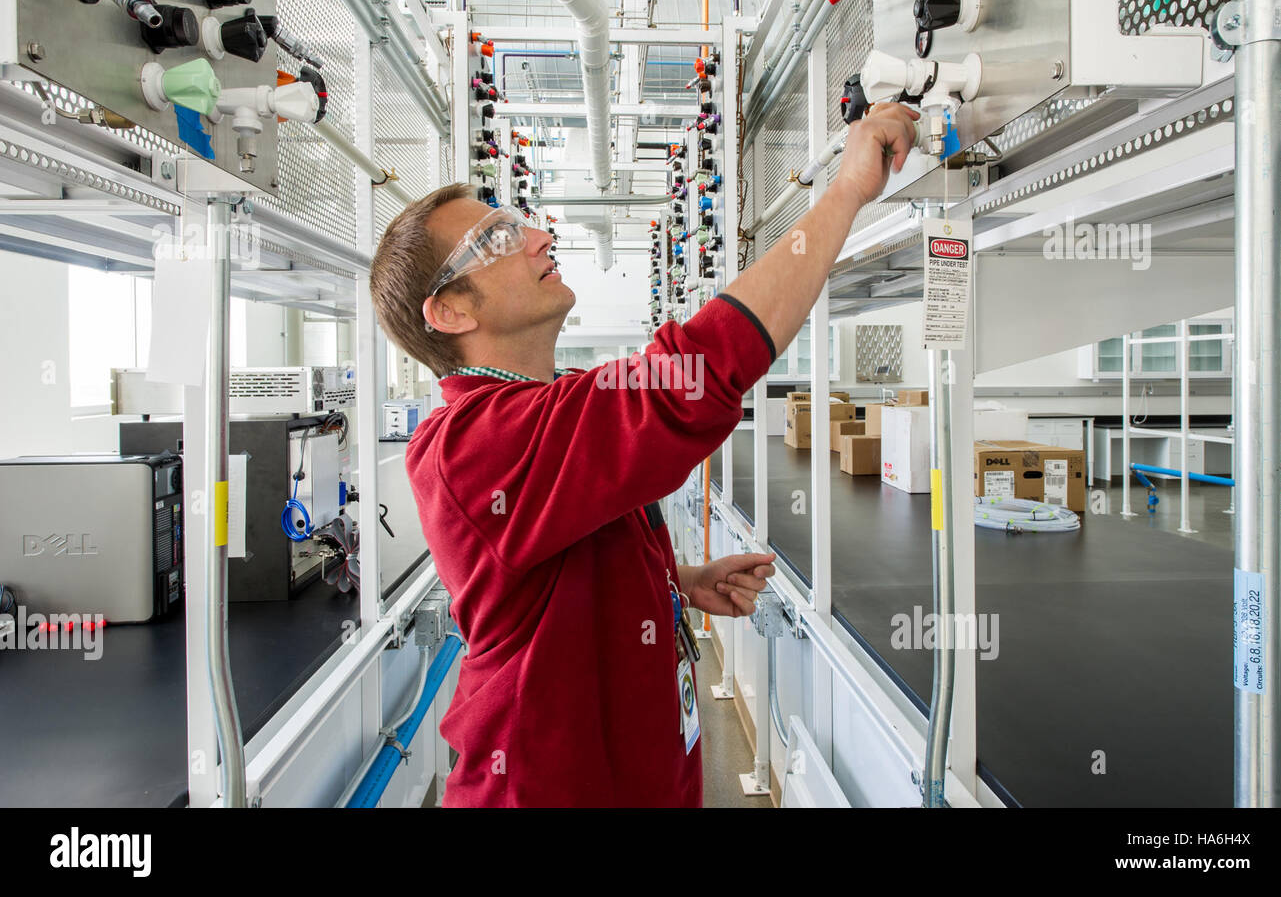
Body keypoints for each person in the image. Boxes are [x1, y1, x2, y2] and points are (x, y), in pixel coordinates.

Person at [368, 103, 920, 807]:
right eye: (498, 238)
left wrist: (673, 579)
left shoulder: (545, 404)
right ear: (449, 312)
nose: (538, 236)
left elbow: (566, 553)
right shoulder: (471, 444)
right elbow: (689, 377)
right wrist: (844, 192)